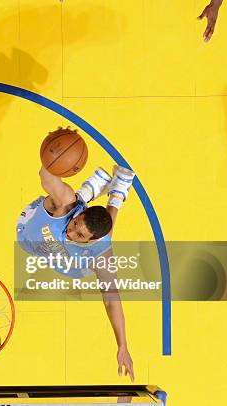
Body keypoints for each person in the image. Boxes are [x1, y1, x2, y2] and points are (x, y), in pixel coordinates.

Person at [17, 129, 136, 380]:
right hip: (29, 231)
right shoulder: (65, 205)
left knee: (107, 233)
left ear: (90, 240)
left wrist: (122, 345)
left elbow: (112, 301)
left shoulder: (101, 249)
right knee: (73, 200)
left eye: (80, 236)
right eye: (75, 226)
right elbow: (45, 175)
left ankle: (115, 191)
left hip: (74, 259)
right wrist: (57, 153)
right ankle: (96, 192)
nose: (71, 233)